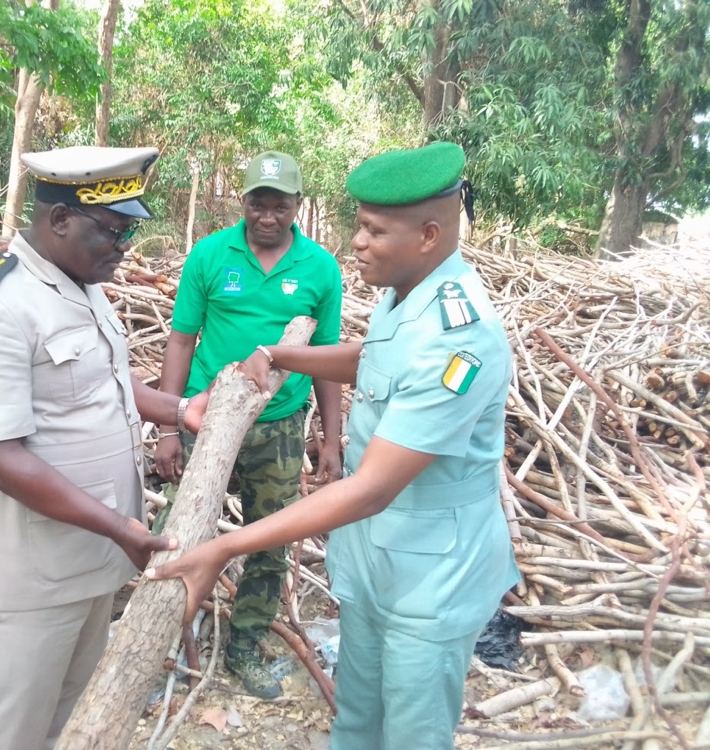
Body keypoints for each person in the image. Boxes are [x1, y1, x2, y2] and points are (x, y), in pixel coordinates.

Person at [147, 142, 520, 749]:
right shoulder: (409, 292)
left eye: (373, 230)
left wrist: (226, 546)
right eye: (358, 225)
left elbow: (371, 488)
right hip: (381, 560)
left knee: (411, 733)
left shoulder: (461, 340)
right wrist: (277, 352)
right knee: (356, 720)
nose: (357, 242)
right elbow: (375, 359)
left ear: (428, 234)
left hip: (431, 574)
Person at [0, 146, 207, 750]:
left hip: (90, 560)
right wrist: (120, 527)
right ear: (59, 221)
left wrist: (183, 409)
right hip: (29, 577)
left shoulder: (79, 283)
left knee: (70, 711)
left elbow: (107, 382)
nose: (122, 249)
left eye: (128, 233)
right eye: (112, 232)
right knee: (12, 731)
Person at [153, 150, 344, 698]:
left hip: (280, 425)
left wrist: (329, 438)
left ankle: (245, 644)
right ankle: (161, 639)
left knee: (272, 539)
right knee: (180, 530)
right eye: (258, 203)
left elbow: (327, 357)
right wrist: (169, 426)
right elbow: (182, 340)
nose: (267, 215)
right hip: (207, 421)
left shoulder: (319, 268)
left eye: (279, 205)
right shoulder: (212, 254)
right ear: (244, 203)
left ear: (297, 207)